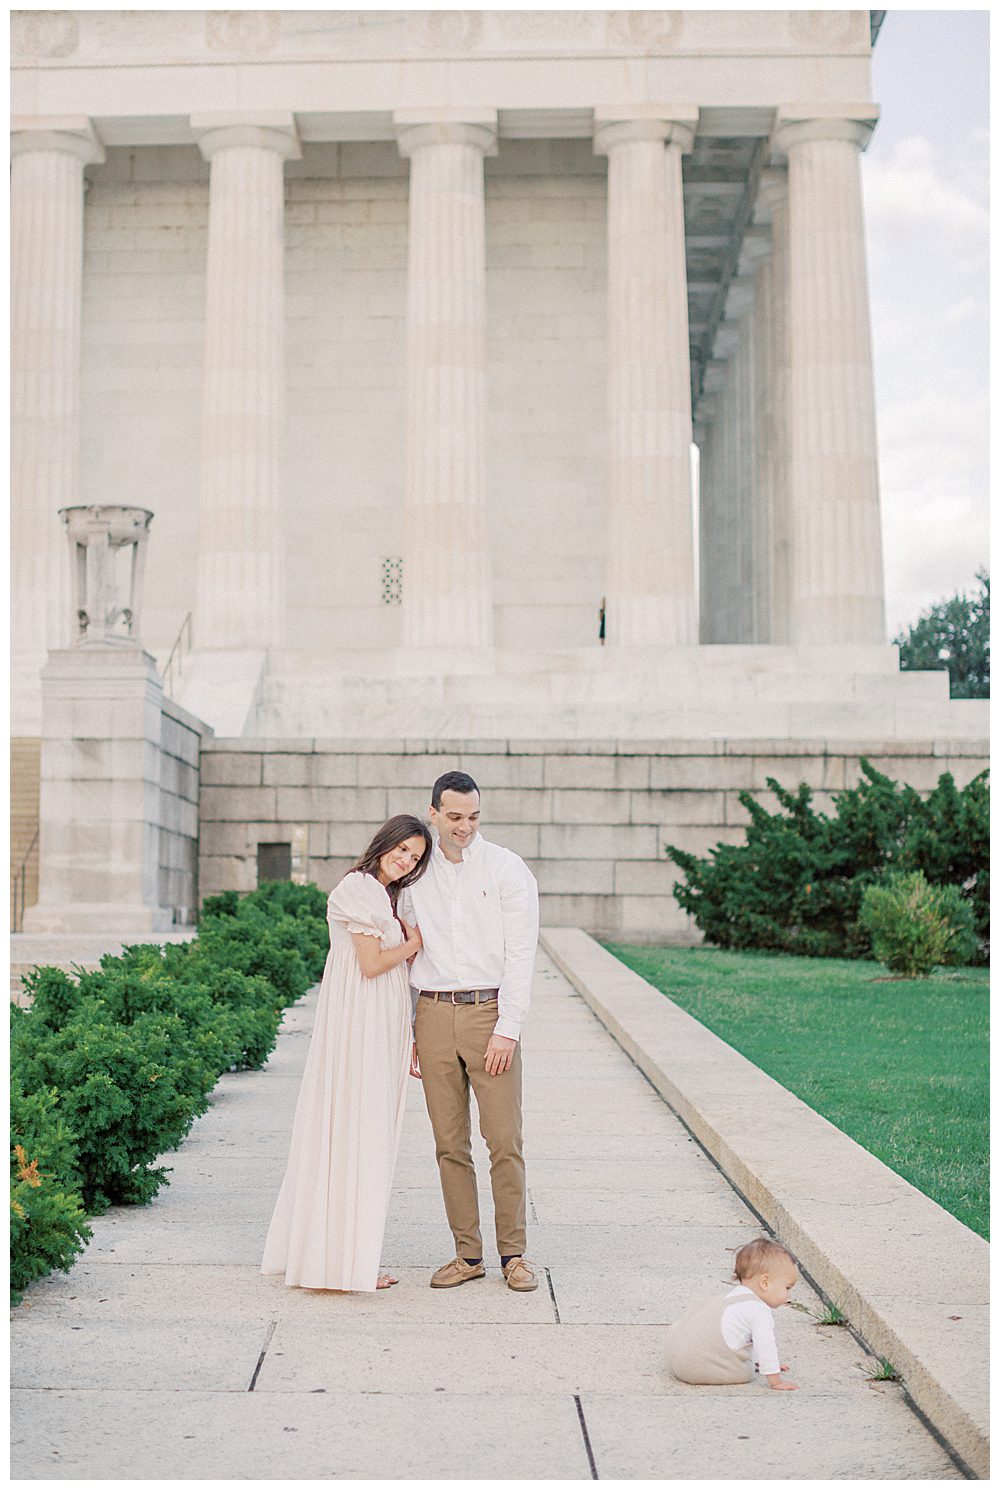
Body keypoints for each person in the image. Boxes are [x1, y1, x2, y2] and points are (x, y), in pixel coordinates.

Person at [261, 815, 431, 1293]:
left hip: (379, 1022)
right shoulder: (359, 888)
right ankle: (346, 1261)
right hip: (361, 1023)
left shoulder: (383, 894)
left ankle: (348, 1254)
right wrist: (415, 941)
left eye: (415, 858)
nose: (405, 861)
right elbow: (373, 964)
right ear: (384, 843)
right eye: (402, 850)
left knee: (367, 1133)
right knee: (359, 1132)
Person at [400, 770, 540, 1292]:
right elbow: (407, 950)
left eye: (474, 816)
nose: (465, 826)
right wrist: (412, 1030)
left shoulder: (506, 868)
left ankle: (514, 1255)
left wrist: (508, 1028)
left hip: (489, 1014)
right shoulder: (416, 875)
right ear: (433, 812)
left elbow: (523, 952)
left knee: (504, 1138)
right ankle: (468, 1255)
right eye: (455, 817)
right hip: (433, 1014)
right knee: (448, 1142)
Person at [665, 1238, 800, 1389]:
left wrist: (762, 1362)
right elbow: (765, 1344)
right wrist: (775, 1378)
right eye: (787, 1288)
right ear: (765, 1283)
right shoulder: (759, 1310)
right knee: (746, 1372)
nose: (789, 1296)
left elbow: (737, 1337)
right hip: (697, 1369)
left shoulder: (732, 1299)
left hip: (677, 1358)